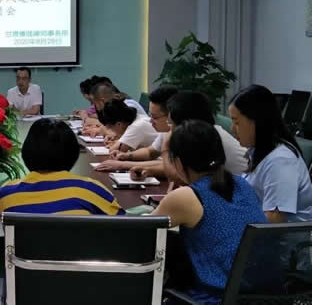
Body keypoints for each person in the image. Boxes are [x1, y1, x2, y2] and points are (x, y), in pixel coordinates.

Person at [152, 120, 266, 303]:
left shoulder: (186, 196)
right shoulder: (242, 184)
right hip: (261, 295)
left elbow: (140, 233)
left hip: (216, 297)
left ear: (179, 163)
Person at [0, 118, 125, 215]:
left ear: (27, 152)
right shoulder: (92, 190)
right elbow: (124, 226)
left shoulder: (7, 194)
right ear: (73, 153)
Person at [229, 85, 312, 223]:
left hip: (284, 236)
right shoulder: (258, 151)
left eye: (236, 122)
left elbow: (274, 219)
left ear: (257, 121)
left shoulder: (281, 161)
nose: (232, 129)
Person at [128, 91, 248, 179]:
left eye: (171, 123)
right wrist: (148, 170)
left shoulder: (204, 138)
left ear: (185, 123)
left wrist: (165, 147)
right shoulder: (203, 132)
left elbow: (178, 176)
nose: (170, 127)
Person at [95, 85, 178, 171]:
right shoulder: (165, 132)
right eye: (150, 115)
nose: (150, 121)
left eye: (155, 117)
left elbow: (169, 166)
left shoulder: (183, 134)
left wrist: (122, 165)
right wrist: (127, 155)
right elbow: (150, 152)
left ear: (171, 115)